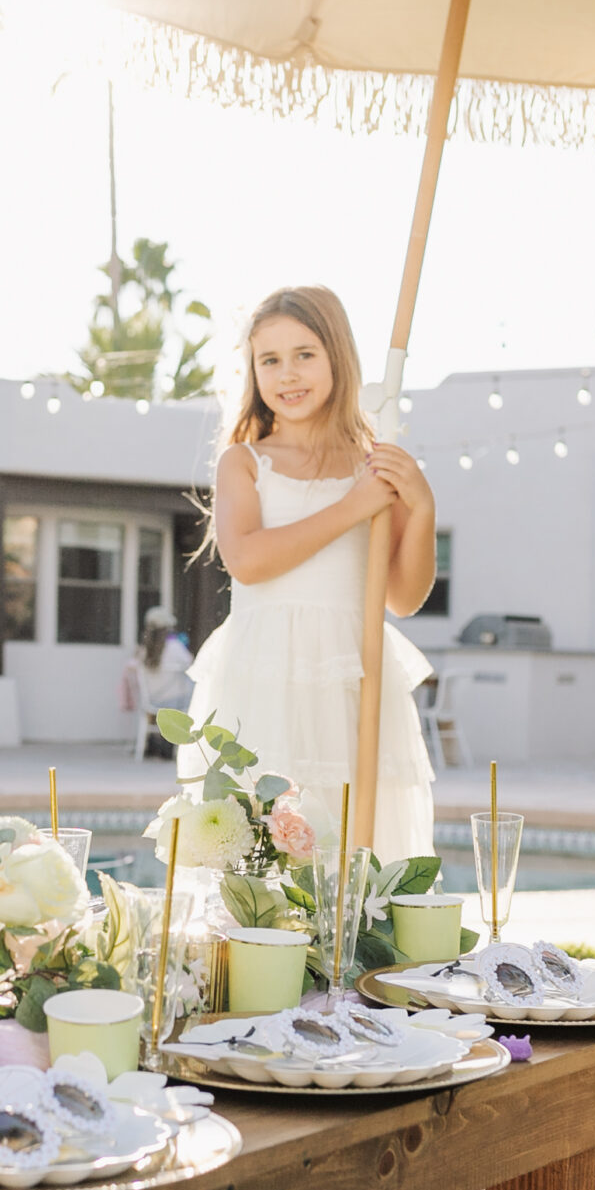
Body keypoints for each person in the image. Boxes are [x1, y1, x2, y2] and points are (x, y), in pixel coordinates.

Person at [184, 282, 438, 862]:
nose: (287, 374)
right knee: (264, 837)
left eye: (305, 354)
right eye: (269, 360)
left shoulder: (374, 462)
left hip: (352, 671)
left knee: (356, 835)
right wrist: (354, 506)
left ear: (337, 356)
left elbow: (402, 595)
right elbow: (248, 561)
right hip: (265, 674)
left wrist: (420, 507)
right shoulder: (245, 462)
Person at [130, 606, 193, 757]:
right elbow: (191, 665)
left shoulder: (144, 650)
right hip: (177, 702)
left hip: (152, 701)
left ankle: (153, 741)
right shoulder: (175, 647)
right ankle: (173, 743)